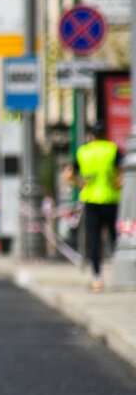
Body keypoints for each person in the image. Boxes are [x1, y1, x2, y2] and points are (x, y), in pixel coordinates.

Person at [76, 124, 122, 292]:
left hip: (91, 200)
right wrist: (116, 183)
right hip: (110, 199)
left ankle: (97, 278)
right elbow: (121, 172)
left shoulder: (83, 152)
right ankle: (122, 274)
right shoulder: (112, 149)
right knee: (115, 238)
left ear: (91, 136)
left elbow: (69, 174)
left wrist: (80, 183)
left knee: (94, 240)